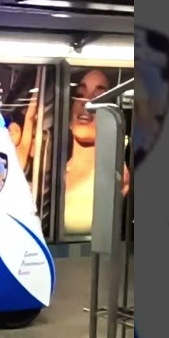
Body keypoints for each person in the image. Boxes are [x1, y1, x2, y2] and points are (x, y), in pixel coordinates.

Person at [59, 68, 131, 236]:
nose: (87, 104)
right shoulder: (49, 174)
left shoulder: (120, 175)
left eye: (99, 97)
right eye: (80, 94)